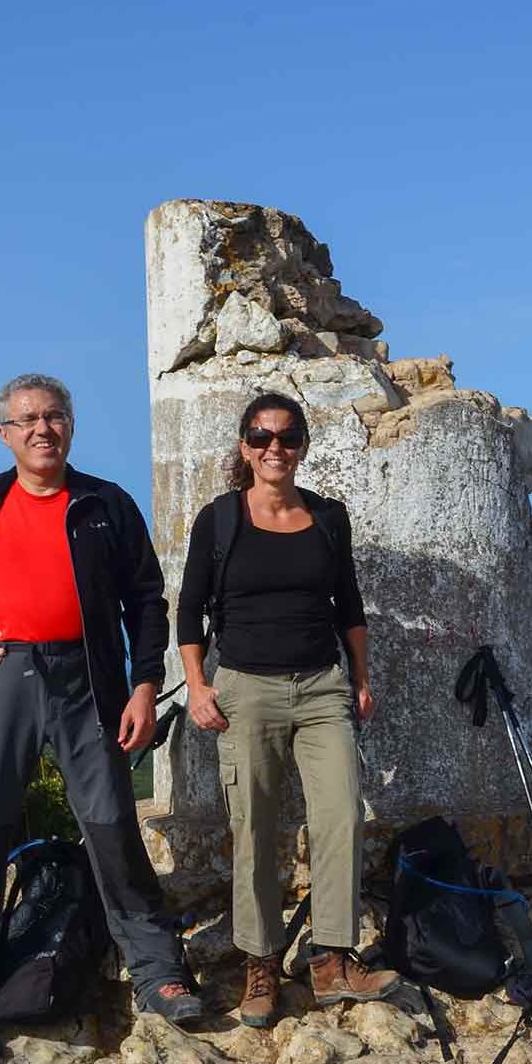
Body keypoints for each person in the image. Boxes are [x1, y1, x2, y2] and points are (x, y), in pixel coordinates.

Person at [0, 374, 205, 1046]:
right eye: (26, 419)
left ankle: (157, 971)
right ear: (5, 434)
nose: (41, 429)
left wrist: (146, 684)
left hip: (86, 681)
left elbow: (146, 601)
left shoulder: (104, 506)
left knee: (112, 825)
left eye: (53, 416)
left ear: (71, 425)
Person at [176, 392, 400, 1028]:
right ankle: (262, 965)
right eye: (262, 436)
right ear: (245, 447)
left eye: (288, 436)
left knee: (340, 818)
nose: (275, 447)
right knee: (254, 831)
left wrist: (359, 678)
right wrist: (197, 684)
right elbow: (188, 610)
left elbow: (348, 604)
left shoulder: (329, 518)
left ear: (302, 445)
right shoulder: (219, 520)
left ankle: (331, 961)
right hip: (247, 689)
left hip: (323, 685)